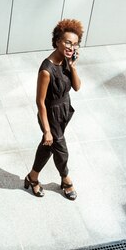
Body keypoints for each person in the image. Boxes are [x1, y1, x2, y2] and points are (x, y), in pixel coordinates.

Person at [24, 19, 83, 201]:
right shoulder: (46, 70)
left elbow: (77, 87)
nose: (71, 47)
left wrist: (72, 67)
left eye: (74, 44)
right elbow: (40, 102)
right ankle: (66, 180)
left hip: (65, 110)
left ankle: (32, 177)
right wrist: (47, 130)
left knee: (48, 147)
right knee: (61, 150)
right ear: (57, 41)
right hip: (50, 115)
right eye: (67, 42)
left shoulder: (67, 61)